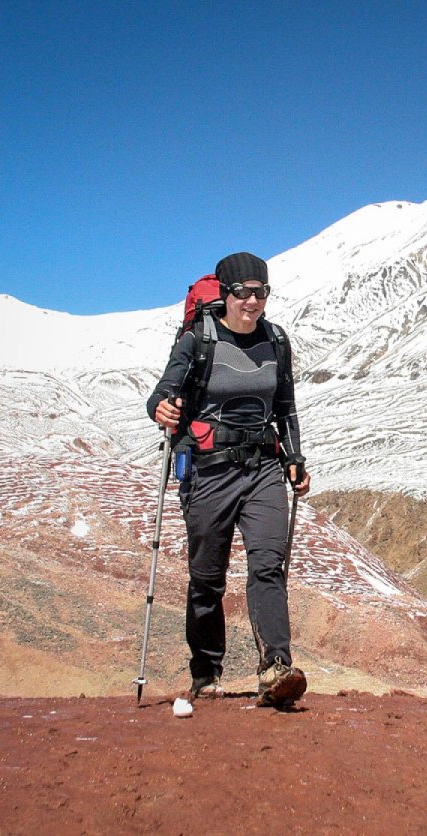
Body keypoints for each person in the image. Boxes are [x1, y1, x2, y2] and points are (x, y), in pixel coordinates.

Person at [146, 251, 310, 707]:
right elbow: (162, 395)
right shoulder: (198, 341)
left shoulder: (276, 340)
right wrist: (161, 408)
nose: (253, 301)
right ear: (225, 293)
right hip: (208, 471)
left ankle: (276, 667)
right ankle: (205, 672)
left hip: (261, 469)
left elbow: (285, 408)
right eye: (244, 292)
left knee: (266, 566)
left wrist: (294, 458)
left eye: (262, 292)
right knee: (207, 578)